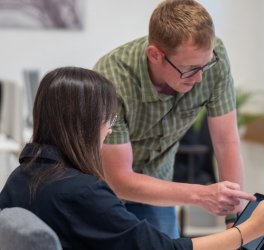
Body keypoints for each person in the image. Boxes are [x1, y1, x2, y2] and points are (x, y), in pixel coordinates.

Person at [0, 66, 264, 249]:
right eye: (108, 118)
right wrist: (251, 229)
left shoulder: (22, 176)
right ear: (85, 123)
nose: (110, 128)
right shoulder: (81, 192)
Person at [94, 0, 254, 238]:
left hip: (159, 183)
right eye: (189, 69)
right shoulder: (113, 79)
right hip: (104, 190)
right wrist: (200, 194)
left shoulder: (212, 59)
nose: (200, 78)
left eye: (205, 66)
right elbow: (119, 179)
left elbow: (225, 141)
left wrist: (237, 225)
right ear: (155, 55)